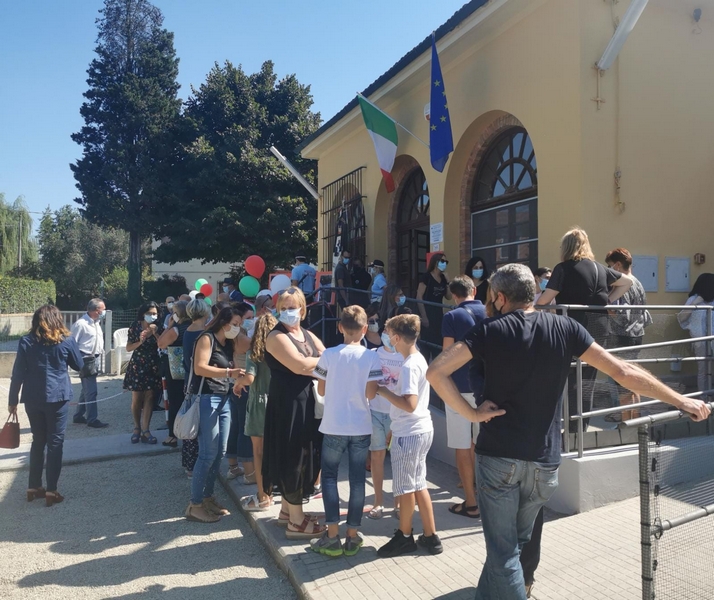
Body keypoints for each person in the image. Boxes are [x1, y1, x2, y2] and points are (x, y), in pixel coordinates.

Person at [426, 263, 710, 600]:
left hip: (499, 459)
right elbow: (623, 372)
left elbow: (436, 372)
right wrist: (681, 400)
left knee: (504, 554)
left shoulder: (489, 330)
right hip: (544, 463)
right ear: (533, 293)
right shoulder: (565, 327)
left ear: (500, 297)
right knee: (513, 549)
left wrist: (471, 413)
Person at [537, 228, 633, 432]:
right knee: (587, 381)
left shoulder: (563, 268)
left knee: (570, 379)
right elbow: (627, 282)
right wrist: (608, 300)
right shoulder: (600, 269)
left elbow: (544, 300)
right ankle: (581, 427)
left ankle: (572, 429)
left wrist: (533, 308)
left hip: (572, 330)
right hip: (599, 330)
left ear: (566, 247)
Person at [310, 306, 382, 557]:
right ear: (365, 329)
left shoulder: (329, 355)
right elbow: (371, 393)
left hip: (333, 425)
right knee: (357, 480)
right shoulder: (372, 357)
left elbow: (321, 390)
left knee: (329, 478)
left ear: (340, 327)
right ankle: (352, 535)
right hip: (360, 425)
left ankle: (332, 536)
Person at [375, 314, 442, 557]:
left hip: (410, 432)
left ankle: (404, 536)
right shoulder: (418, 359)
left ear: (396, 337)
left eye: (388, 333)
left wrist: (383, 391)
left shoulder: (409, 365)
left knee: (404, 488)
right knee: (418, 483)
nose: (386, 338)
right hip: (419, 429)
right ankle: (430, 535)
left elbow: (410, 404)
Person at [263, 287, 327, 539]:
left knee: (303, 454)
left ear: (303, 309)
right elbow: (299, 365)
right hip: (288, 405)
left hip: (307, 402)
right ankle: (297, 522)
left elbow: (325, 355)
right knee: (293, 457)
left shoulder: (307, 334)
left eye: (293, 307)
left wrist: (316, 363)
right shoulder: (276, 336)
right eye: (284, 308)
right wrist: (318, 363)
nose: (289, 312)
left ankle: (288, 512)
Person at [8, 305, 84, 507]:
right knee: (55, 443)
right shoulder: (66, 340)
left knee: (38, 440)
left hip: (32, 397)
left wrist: (12, 400)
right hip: (58, 396)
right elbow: (78, 365)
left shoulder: (26, 341)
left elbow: (18, 373)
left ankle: (33, 486)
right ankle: (52, 489)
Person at [186, 305, 246, 523]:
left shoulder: (227, 343)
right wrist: (229, 372)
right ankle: (195, 505)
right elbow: (200, 368)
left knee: (220, 452)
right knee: (207, 454)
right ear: (224, 322)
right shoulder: (206, 338)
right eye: (235, 324)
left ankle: (207, 497)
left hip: (223, 398)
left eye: (239, 325)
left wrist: (235, 381)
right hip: (206, 398)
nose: (237, 328)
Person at [441, 276, 486, 519]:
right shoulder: (490, 312)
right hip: (485, 388)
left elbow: (447, 354)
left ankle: (471, 502)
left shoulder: (451, 317)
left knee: (462, 444)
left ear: (453, 295)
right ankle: (486, 496)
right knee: (482, 443)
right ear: (474, 291)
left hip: (458, 388)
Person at [233, 312, 278, 511]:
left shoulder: (254, 353)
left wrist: (238, 383)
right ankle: (277, 491)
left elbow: (250, 378)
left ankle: (263, 496)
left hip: (259, 403)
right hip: (278, 402)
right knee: (276, 450)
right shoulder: (280, 352)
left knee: (258, 452)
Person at [605, 248, 652, 420]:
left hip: (622, 336)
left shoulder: (622, 284)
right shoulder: (638, 283)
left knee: (623, 382)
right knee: (633, 380)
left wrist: (606, 309)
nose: (608, 270)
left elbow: (620, 314)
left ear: (617, 265)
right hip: (636, 334)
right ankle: (637, 422)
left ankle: (626, 426)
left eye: (609, 266)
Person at [367, 316, 406, 520]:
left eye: (390, 333)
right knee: (377, 457)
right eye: (385, 331)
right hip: (375, 411)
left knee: (398, 460)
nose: (387, 336)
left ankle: (399, 504)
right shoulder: (373, 354)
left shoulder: (406, 356)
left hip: (397, 415)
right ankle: (378, 502)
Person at [125, 302, 163, 444]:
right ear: (143, 313)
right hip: (138, 363)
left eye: (155, 314)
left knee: (150, 396)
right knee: (137, 397)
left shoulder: (158, 326)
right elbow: (128, 347)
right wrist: (141, 341)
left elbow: (162, 344)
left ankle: (146, 430)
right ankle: (137, 427)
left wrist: (155, 333)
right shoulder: (135, 326)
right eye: (149, 313)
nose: (152, 316)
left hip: (153, 363)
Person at [181, 298, 211, 478]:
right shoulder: (203, 334)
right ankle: (198, 465)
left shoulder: (187, 331)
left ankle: (189, 463)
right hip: (200, 383)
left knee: (190, 424)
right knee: (199, 426)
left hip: (189, 381)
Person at [225, 303, 255, 482]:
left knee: (236, 426)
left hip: (234, 385)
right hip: (245, 385)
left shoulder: (229, 339)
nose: (250, 321)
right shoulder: (242, 339)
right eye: (247, 318)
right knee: (245, 429)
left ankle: (233, 466)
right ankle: (250, 473)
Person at [157, 300, 191, 447]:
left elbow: (160, 343)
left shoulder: (176, 329)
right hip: (191, 369)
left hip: (176, 370)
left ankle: (172, 435)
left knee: (175, 402)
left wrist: (169, 326)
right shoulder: (194, 327)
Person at [71, 298, 109, 429]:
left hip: (94, 358)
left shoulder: (96, 322)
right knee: (91, 391)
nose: (105, 311)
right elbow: (72, 343)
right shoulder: (81, 324)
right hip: (85, 359)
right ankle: (92, 419)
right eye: (103, 309)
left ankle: (78, 415)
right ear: (97, 310)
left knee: (86, 389)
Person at [678, 273, 714, 399]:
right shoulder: (693, 299)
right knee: (703, 369)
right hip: (700, 340)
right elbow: (681, 318)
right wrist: (694, 304)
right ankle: (704, 398)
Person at [416, 252, 451, 360]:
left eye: (446, 262)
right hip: (427, 312)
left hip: (438, 315)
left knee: (437, 347)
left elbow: (449, 297)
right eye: (442, 261)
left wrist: (448, 282)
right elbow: (419, 296)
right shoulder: (426, 277)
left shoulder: (443, 278)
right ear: (436, 262)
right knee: (425, 348)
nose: (444, 264)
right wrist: (424, 316)